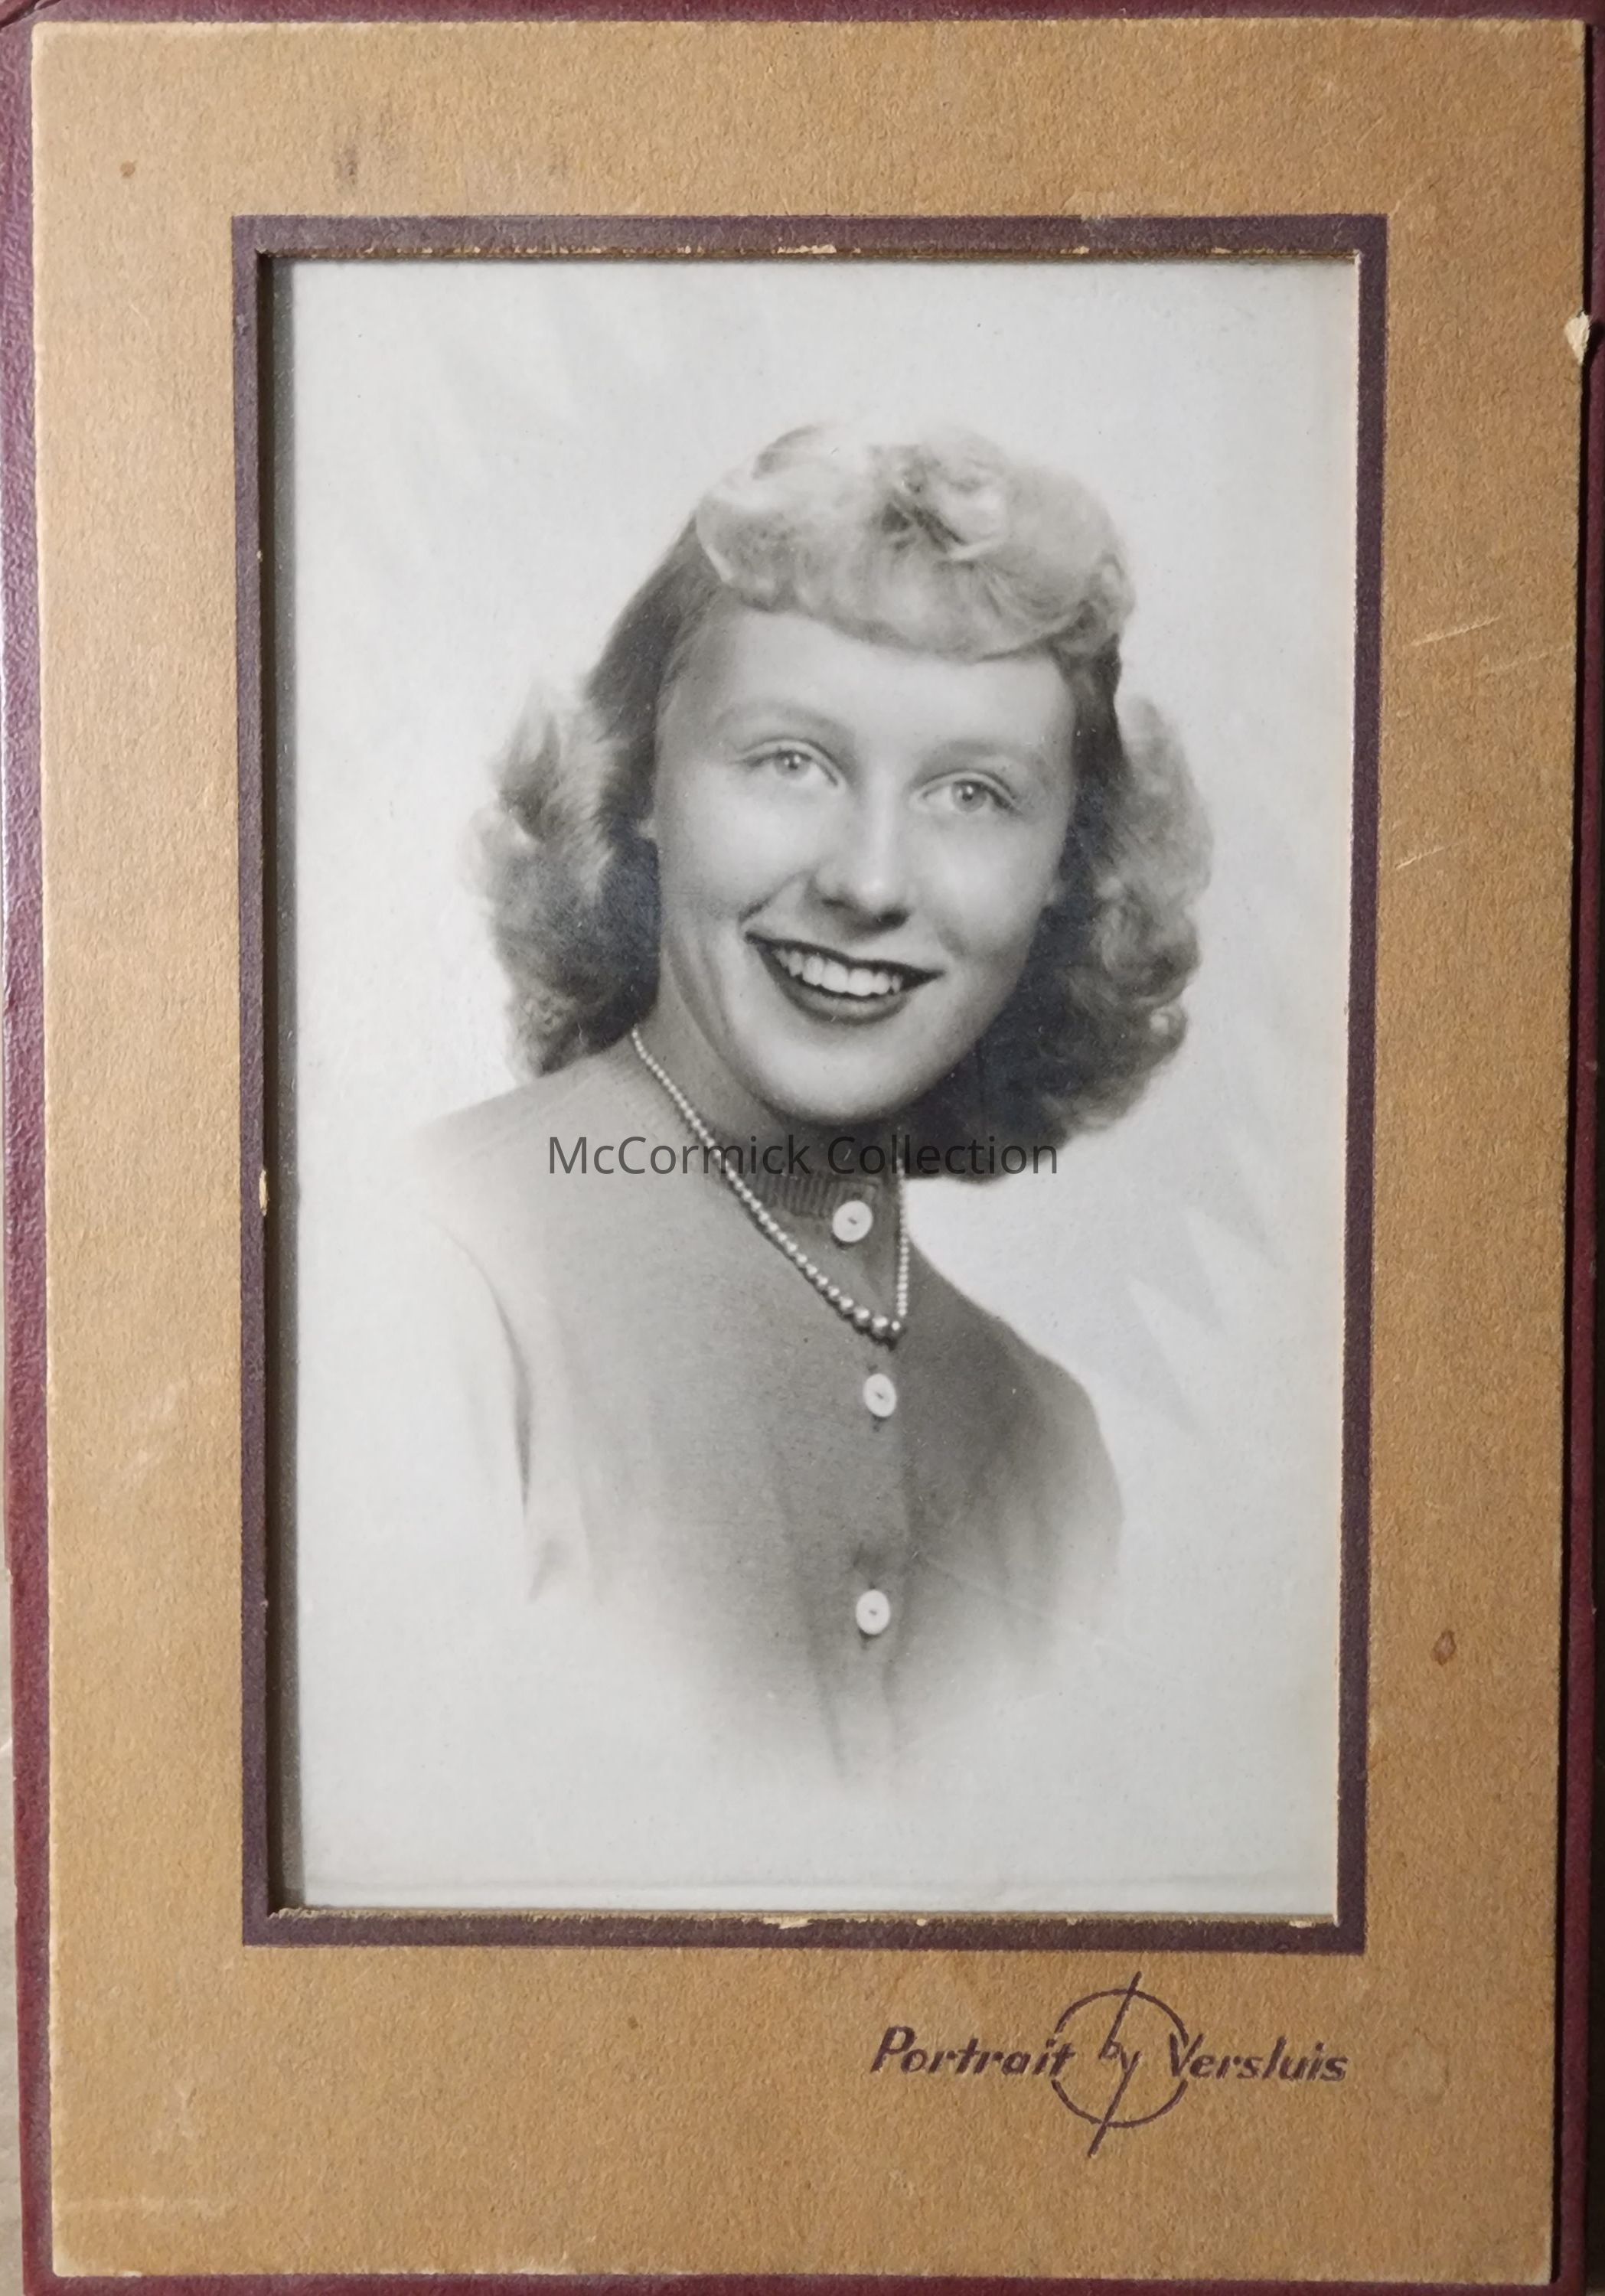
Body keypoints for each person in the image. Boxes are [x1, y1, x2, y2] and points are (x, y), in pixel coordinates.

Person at [298, 426, 1208, 1908]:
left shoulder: (1050, 1454)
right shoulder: (426, 1270)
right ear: (642, 782)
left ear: (1065, 873)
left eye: (972, 794)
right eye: (789, 761)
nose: (867, 880)